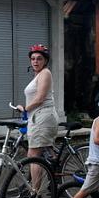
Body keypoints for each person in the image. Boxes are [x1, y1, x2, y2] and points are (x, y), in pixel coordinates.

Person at [15, 44, 59, 190]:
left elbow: (40, 98)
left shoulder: (45, 73)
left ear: (45, 61)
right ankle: (54, 183)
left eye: (39, 59)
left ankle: (35, 192)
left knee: (33, 155)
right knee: (45, 153)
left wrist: (24, 109)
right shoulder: (39, 75)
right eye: (33, 59)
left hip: (42, 117)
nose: (35, 61)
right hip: (40, 117)